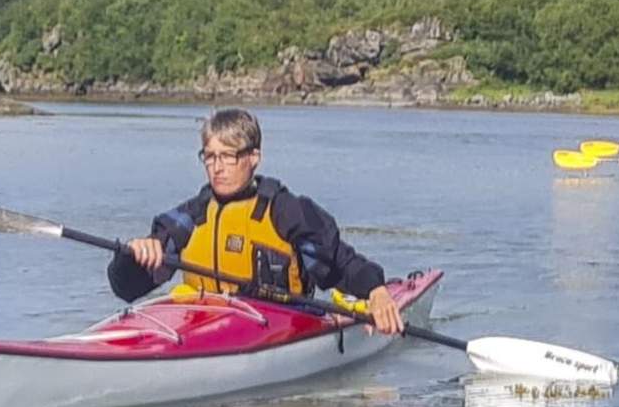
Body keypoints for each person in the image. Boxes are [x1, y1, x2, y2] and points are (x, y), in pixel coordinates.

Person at [108, 108, 405, 335]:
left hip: (278, 328)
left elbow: (341, 263)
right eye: (210, 157)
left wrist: (376, 291)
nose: (217, 168)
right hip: (200, 327)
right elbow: (127, 288)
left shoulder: (286, 211)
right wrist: (133, 255)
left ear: (254, 157)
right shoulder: (191, 215)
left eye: (228, 156)